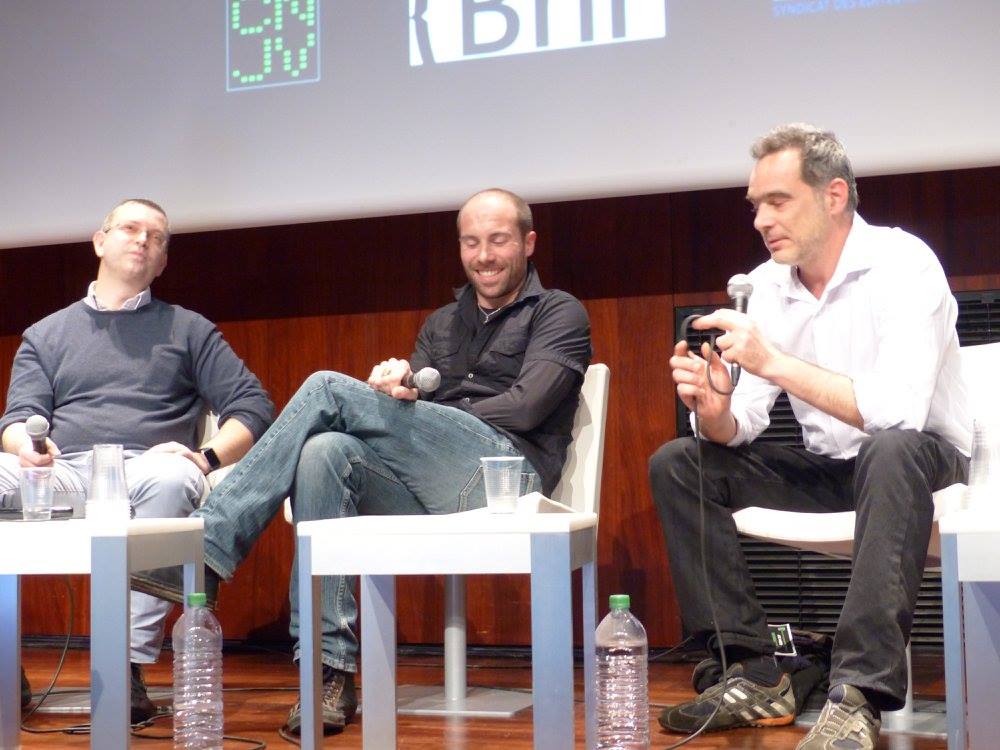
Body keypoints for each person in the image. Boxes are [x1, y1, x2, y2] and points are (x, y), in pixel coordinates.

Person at [131, 187, 593, 736]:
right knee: (324, 452)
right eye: (471, 243)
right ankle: (328, 673)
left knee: (327, 388)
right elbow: (412, 417)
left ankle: (207, 545)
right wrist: (399, 391)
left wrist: (419, 408)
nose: (484, 255)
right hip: (433, 486)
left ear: (528, 242)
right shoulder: (442, 323)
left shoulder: (560, 311)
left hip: (506, 479)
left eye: (498, 240)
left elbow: (528, 405)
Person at [648, 124, 970, 750]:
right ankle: (752, 671)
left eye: (778, 201)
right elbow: (743, 423)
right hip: (835, 472)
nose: (761, 221)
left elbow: (897, 414)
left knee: (890, 449)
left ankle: (857, 695)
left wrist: (772, 361)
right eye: (755, 206)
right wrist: (715, 411)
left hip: (924, 465)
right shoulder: (767, 284)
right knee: (681, 462)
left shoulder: (904, 263)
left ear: (834, 195)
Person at [1, 199, 274, 722]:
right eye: (130, 228)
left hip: (146, 467)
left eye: (157, 236)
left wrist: (206, 457)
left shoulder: (189, 329)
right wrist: (25, 448)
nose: (143, 240)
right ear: (100, 241)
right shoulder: (46, 333)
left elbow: (253, 406)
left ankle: (122, 663)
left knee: (173, 478)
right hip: (65, 471)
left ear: (163, 261)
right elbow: (17, 419)